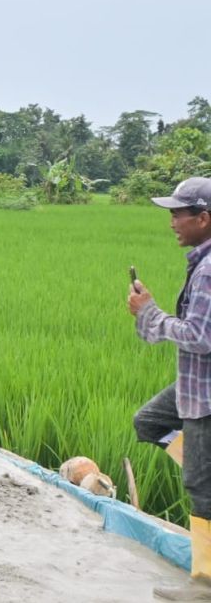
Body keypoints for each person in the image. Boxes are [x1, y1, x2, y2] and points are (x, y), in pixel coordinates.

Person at [129, 177, 211, 600]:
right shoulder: (202, 260)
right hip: (195, 385)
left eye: (179, 213)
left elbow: (201, 335)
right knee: (150, 421)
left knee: (202, 488)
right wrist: (150, 314)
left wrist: (151, 313)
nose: (172, 221)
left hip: (208, 396)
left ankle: (205, 587)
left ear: (204, 218)